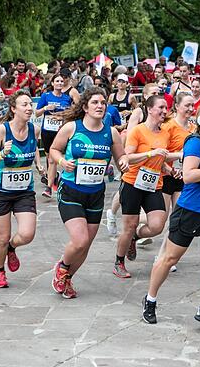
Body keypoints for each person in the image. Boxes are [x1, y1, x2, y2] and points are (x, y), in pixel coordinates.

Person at [142, 101, 200, 328]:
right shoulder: (194, 143)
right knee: (170, 258)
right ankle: (150, 299)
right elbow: (189, 176)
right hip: (190, 210)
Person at [50, 88, 128, 299]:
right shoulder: (71, 128)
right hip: (71, 191)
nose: (100, 106)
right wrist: (62, 162)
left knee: (85, 247)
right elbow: (54, 150)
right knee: (80, 240)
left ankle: (66, 279)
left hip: (95, 194)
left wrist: (124, 163)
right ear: (85, 107)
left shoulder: (110, 132)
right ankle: (62, 267)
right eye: (94, 102)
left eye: (103, 102)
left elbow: (121, 158)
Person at [0, 90, 45, 288]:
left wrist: (38, 162)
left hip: (24, 190)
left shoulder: (34, 129)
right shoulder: (3, 131)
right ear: (13, 109)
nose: (29, 108)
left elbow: (34, 146)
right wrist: (2, 153)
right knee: (1, 237)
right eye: (24, 105)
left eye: (30, 104)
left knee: (27, 234)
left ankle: (12, 247)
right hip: (0, 190)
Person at [113, 94, 175, 278]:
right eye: (161, 108)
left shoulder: (165, 133)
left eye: (166, 108)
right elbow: (127, 157)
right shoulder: (138, 131)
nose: (165, 111)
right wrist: (150, 154)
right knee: (129, 225)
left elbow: (161, 158)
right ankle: (119, 261)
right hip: (133, 182)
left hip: (154, 183)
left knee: (157, 225)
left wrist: (170, 170)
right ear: (149, 109)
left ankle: (135, 238)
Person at [105, 83, 161, 235]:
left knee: (144, 190)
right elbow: (131, 134)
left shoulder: (161, 113)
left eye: (159, 92)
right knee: (127, 185)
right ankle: (112, 212)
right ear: (145, 96)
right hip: (137, 156)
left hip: (152, 162)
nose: (157, 95)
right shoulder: (139, 112)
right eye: (153, 93)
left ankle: (138, 234)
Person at [157, 92, 196, 272]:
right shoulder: (168, 127)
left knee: (177, 218)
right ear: (177, 107)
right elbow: (160, 153)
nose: (190, 108)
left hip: (184, 178)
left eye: (192, 105)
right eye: (186, 105)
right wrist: (174, 162)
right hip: (166, 176)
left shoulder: (194, 129)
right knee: (160, 220)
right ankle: (135, 229)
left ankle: (164, 255)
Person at [35, 74, 74, 199]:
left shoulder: (67, 98)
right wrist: (46, 108)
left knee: (53, 159)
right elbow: (36, 113)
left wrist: (62, 117)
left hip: (60, 132)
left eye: (62, 81)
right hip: (47, 131)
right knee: (50, 158)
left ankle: (49, 186)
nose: (59, 83)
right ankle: (53, 180)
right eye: (57, 81)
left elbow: (70, 113)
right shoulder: (46, 96)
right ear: (52, 83)